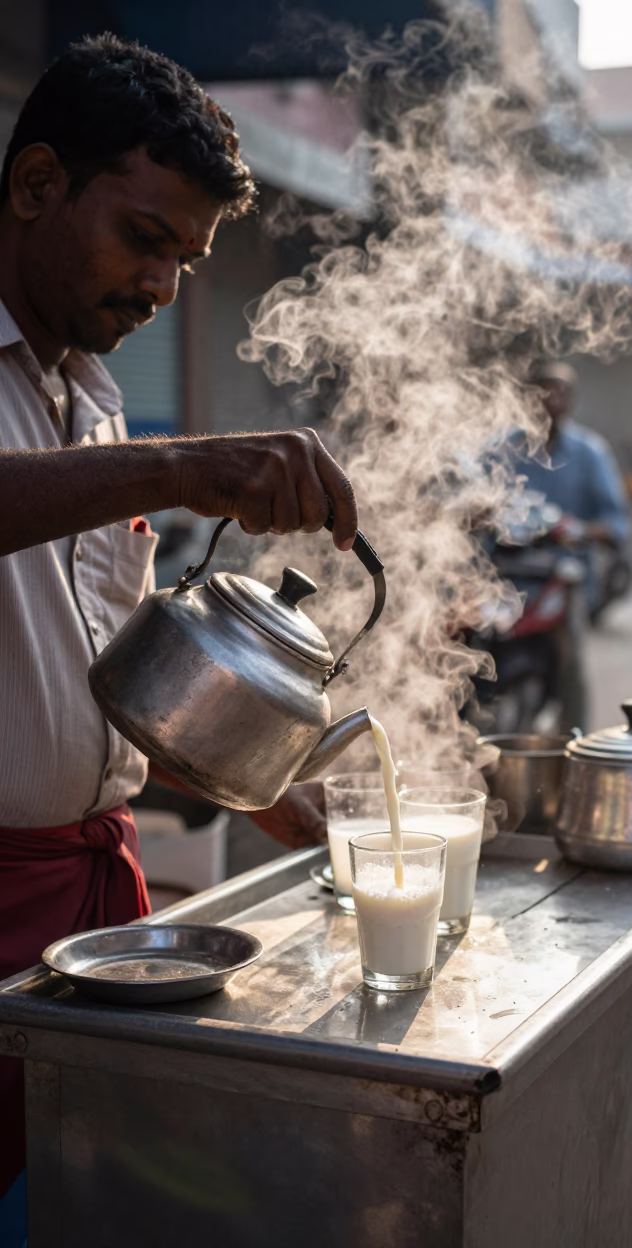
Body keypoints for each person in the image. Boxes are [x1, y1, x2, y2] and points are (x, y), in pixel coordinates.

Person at [0, 35, 358, 1221]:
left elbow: (97, 654)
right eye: (145, 238)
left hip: (89, 911)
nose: (161, 288)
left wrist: (291, 812)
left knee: (87, 1199)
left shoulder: (86, 394)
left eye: (187, 263)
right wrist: (194, 461)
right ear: (38, 183)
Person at [501, 360, 631, 731]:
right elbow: (470, 497)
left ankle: (576, 739)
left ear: (571, 400)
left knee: (569, 657)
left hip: (563, 576)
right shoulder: (502, 449)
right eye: (542, 390)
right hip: (504, 575)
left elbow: (616, 521)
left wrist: (585, 531)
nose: (550, 400)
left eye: (559, 391)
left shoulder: (591, 453)